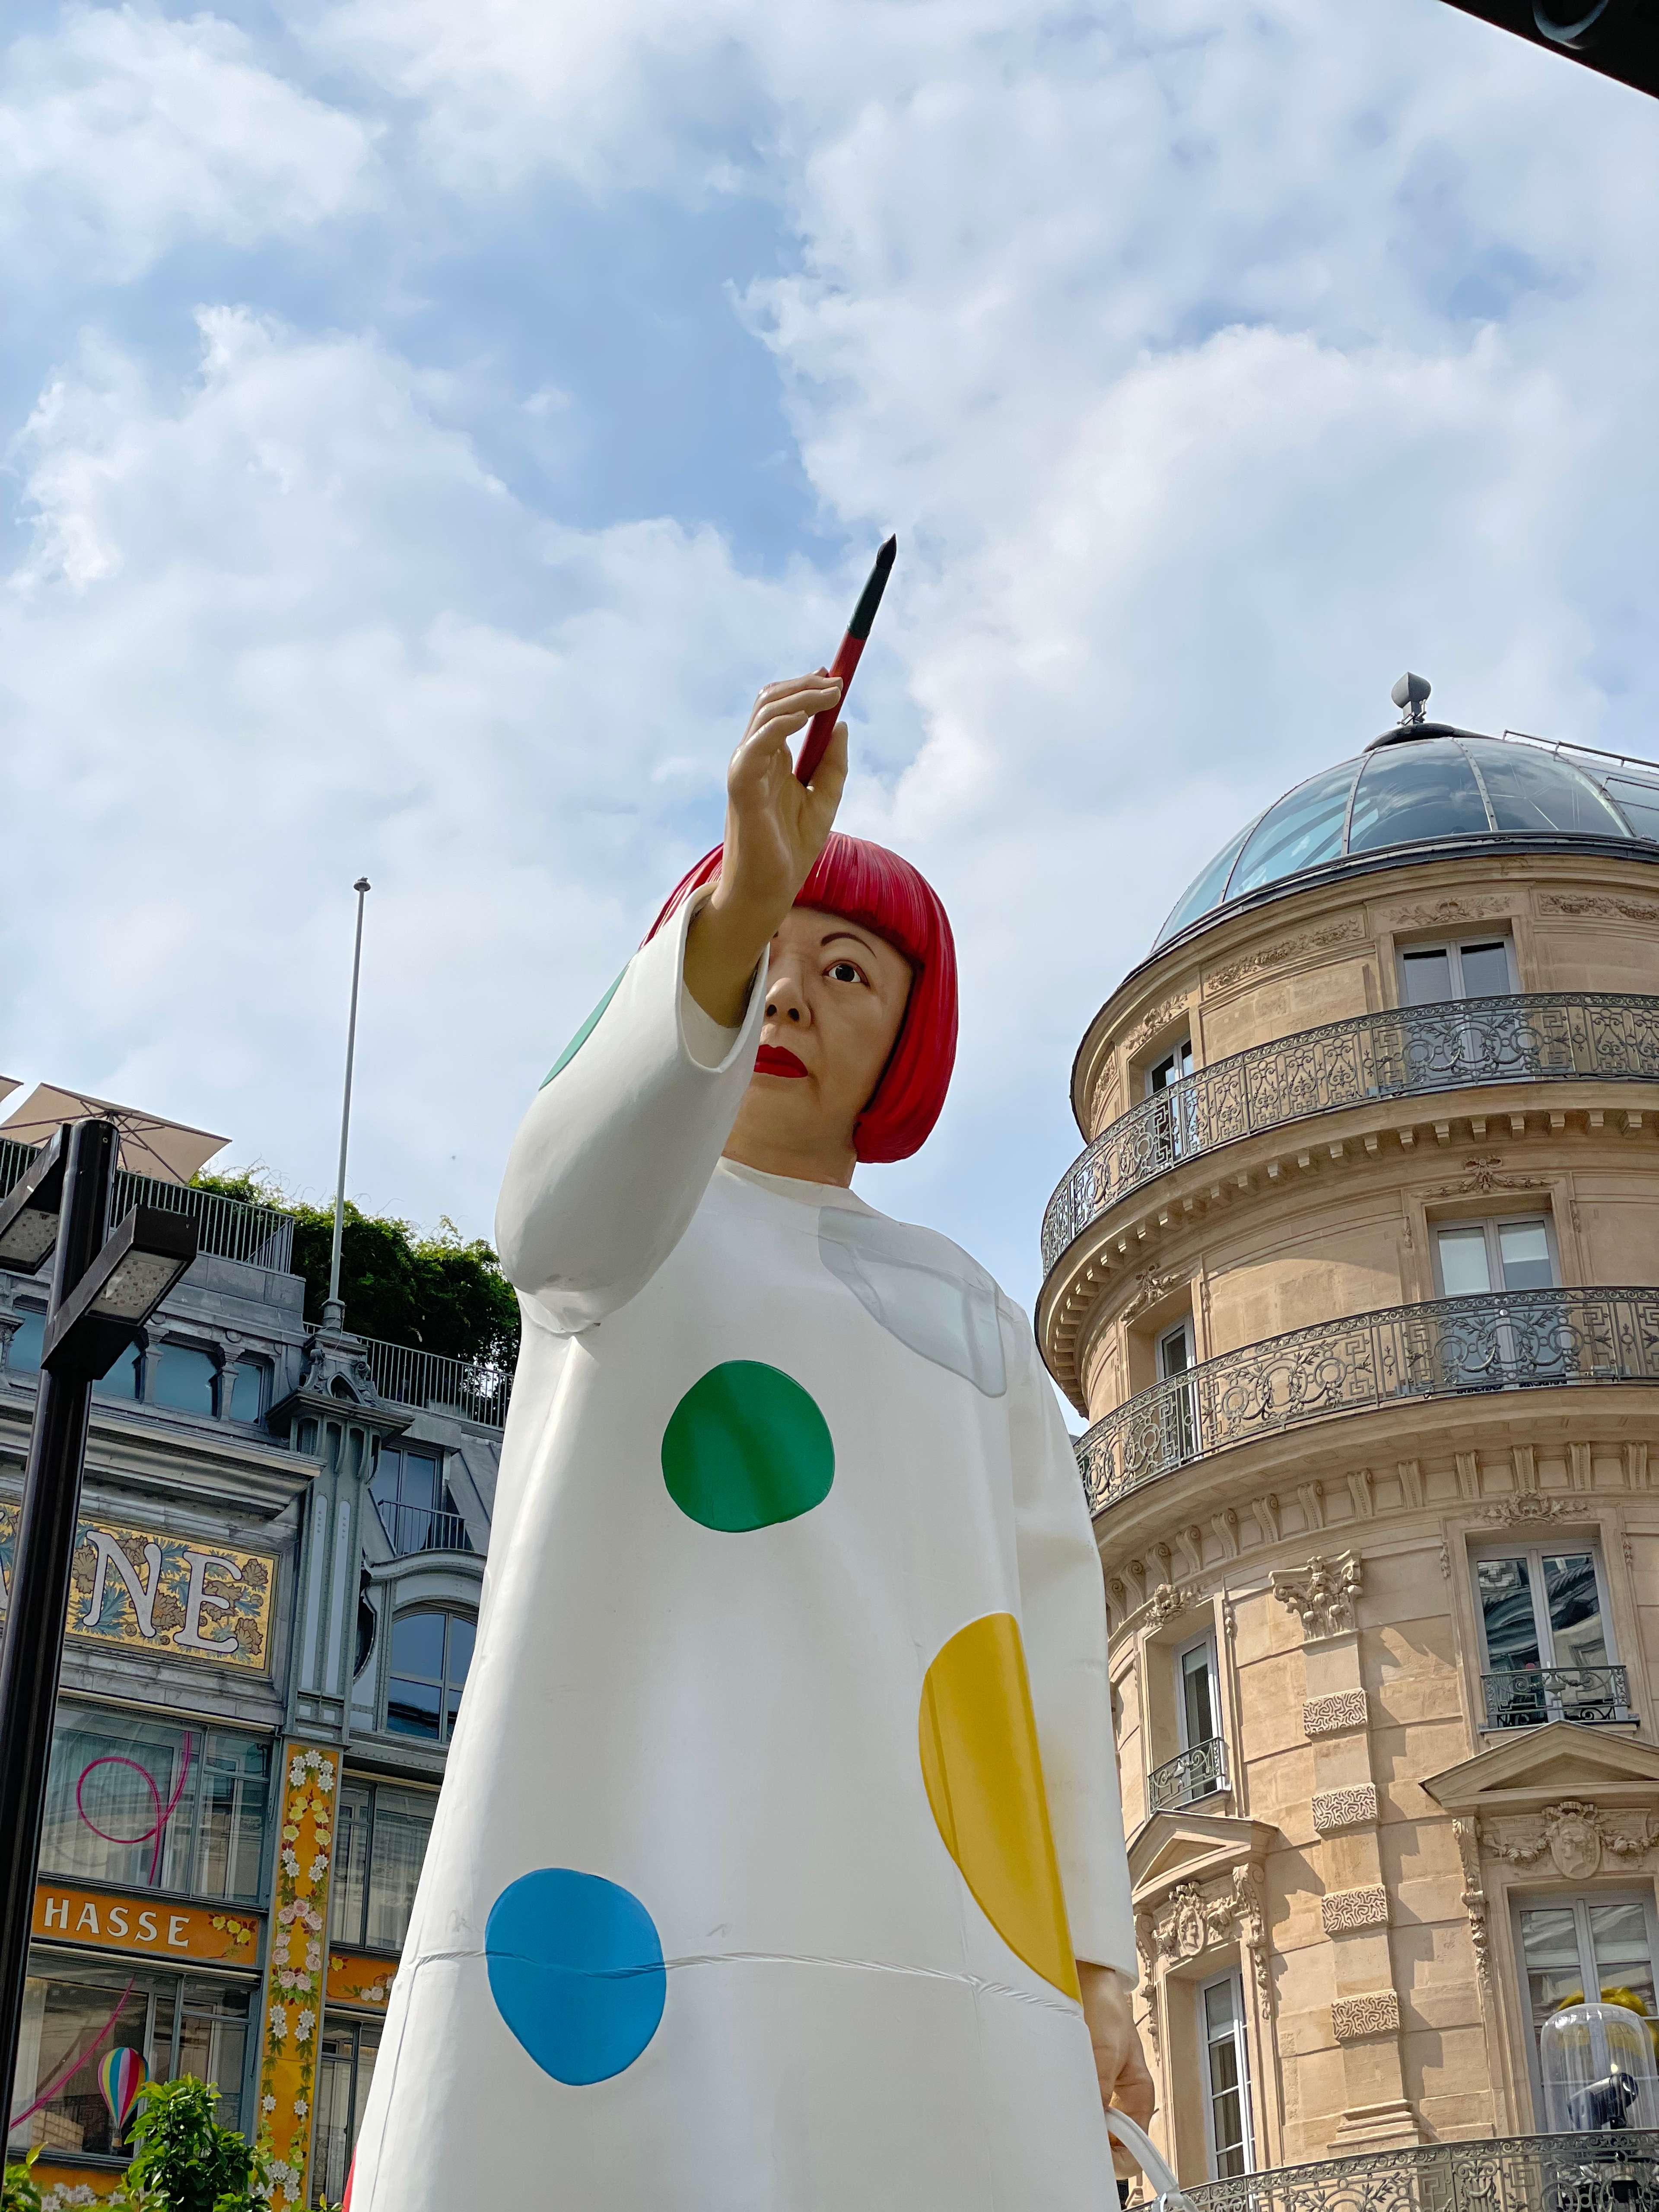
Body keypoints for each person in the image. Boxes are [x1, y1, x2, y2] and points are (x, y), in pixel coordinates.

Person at [346, 674, 1152, 2210]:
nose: (790, 995)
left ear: (913, 1032)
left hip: (935, 1909)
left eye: (848, 970)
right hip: (626, 1839)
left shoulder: (972, 1315)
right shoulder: (628, 1241)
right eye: (760, 958)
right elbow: (552, 1210)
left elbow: (1056, 1644)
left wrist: (1099, 1960)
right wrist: (734, 910)